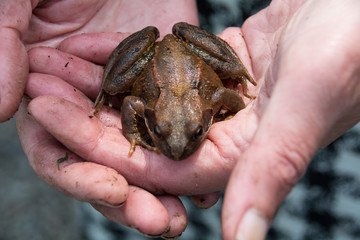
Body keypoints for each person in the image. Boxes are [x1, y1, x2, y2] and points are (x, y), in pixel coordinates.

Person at [5, 0, 360, 239]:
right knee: (112, 91)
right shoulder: (160, 111)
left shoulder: (210, 103)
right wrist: (133, 131)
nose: (176, 148)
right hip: (156, 61)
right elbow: (130, 102)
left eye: (193, 135)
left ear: (203, 121)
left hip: (236, 50)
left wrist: (235, 96)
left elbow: (222, 95)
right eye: (158, 133)